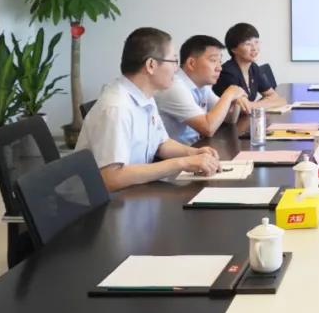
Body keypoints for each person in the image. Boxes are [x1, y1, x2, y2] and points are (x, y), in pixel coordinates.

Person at [76, 27, 219, 192]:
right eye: (173, 61)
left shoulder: (145, 96)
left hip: (133, 191)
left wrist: (193, 153)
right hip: (99, 202)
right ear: (151, 65)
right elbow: (110, 178)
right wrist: (182, 163)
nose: (176, 69)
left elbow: (161, 143)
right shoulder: (116, 108)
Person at [155, 34, 248, 145]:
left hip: (196, 148)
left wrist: (235, 100)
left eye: (220, 61)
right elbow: (208, 128)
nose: (219, 68)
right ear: (191, 63)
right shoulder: (174, 87)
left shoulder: (203, 86)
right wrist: (228, 95)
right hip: (177, 153)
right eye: (213, 60)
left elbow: (230, 119)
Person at [213, 22, 284, 108]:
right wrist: (264, 103)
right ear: (234, 49)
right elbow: (243, 109)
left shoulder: (253, 67)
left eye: (256, 42)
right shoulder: (228, 73)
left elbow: (276, 98)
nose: (254, 48)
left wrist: (253, 105)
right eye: (248, 44)